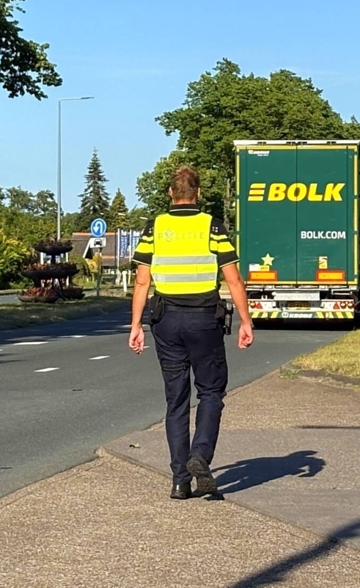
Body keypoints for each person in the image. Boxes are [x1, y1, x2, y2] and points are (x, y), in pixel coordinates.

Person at [128, 165, 254, 500]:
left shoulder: (155, 227)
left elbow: (142, 280)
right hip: (203, 320)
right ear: (197, 193)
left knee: (176, 400)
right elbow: (233, 279)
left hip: (166, 321)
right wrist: (246, 320)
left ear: (171, 193)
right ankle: (201, 455)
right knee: (210, 392)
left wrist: (136, 325)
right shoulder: (212, 226)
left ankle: (180, 480)